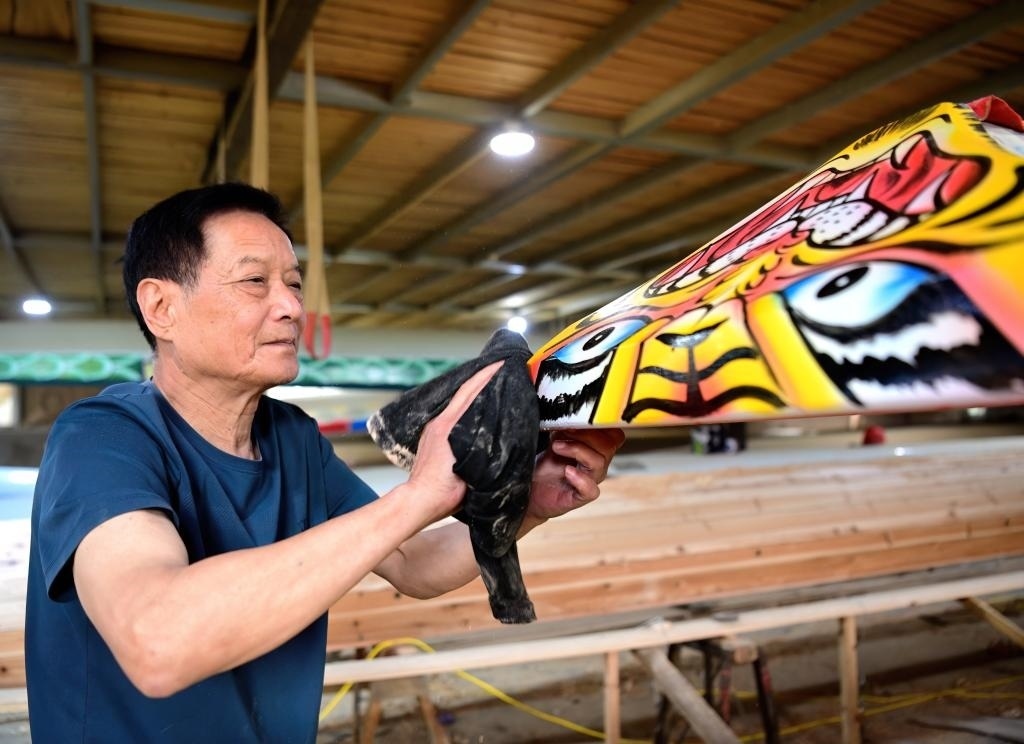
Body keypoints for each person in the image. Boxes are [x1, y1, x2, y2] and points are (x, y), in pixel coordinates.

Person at [25, 182, 624, 742]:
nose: (290, 306)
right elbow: (157, 642)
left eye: (294, 284)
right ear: (161, 307)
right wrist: (418, 494)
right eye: (254, 281)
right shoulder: (102, 438)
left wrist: (531, 502)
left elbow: (412, 562)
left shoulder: (293, 439)